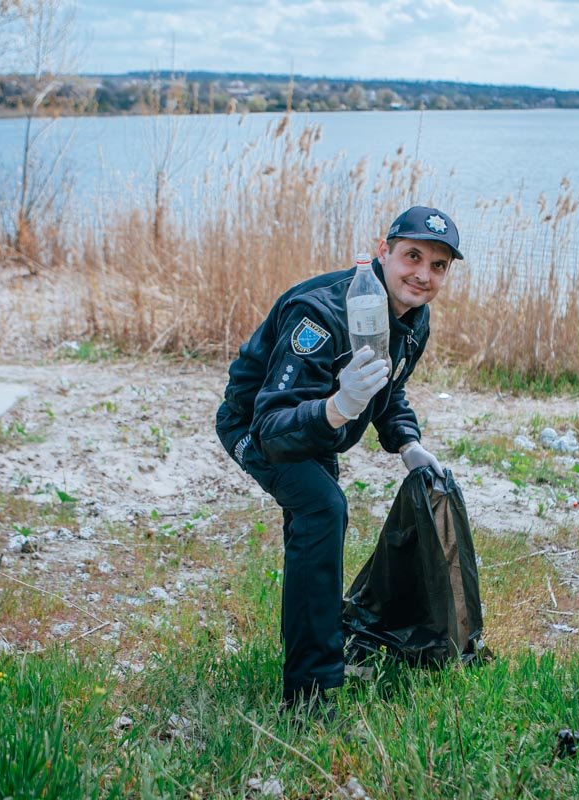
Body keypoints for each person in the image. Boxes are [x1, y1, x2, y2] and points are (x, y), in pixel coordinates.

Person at [215, 205, 463, 713]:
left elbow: (388, 391)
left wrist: (407, 444)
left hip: (316, 433)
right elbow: (270, 428)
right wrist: (335, 407)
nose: (423, 275)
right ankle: (310, 691)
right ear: (383, 252)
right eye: (412, 256)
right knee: (321, 508)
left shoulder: (412, 316)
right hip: (256, 426)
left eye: (438, 266)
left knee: (319, 524)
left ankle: (320, 642)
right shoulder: (322, 314)